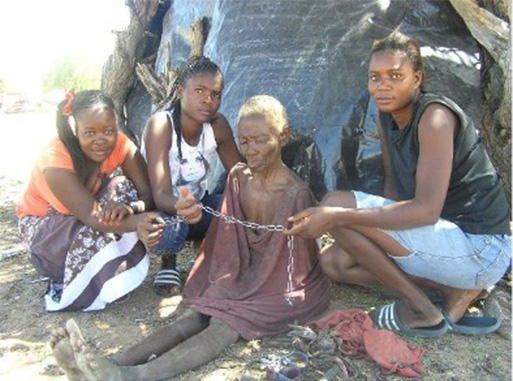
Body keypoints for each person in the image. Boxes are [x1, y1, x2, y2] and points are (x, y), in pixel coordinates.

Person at [50, 95, 331, 380]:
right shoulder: (237, 178)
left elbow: (295, 267)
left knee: (223, 323)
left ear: (283, 136)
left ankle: (134, 376)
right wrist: (228, 278)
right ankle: (109, 363)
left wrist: (249, 288)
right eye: (244, 142)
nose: (251, 150)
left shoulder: (296, 194)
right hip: (242, 272)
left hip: (276, 286)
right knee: (195, 315)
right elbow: (229, 241)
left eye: (260, 140)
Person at [286, 30, 511, 337]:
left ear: (417, 79)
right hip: (445, 239)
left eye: (395, 76)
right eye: (375, 77)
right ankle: (452, 290)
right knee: (335, 264)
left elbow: (426, 211)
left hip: (481, 249)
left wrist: (339, 217)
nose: (383, 86)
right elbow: (393, 187)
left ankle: (421, 308)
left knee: (335, 206)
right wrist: (372, 234)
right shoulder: (387, 115)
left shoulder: (435, 118)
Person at [16, 90, 164, 312]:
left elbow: (147, 192)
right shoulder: (55, 158)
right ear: (76, 131)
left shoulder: (120, 145)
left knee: (122, 186)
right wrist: (137, 222)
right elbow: (93, 217)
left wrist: (130, 208)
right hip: (45, 234)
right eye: (90, 133)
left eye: (109, 130)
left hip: (85, 216)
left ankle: (110, 273)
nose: (101, 140)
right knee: (93, 228)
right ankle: (72, 278)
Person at [142, 55, 243, 296]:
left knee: (233, 208)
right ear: (179, 91)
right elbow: (159, 193)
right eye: (199, 90)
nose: (208, 100)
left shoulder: (217, 126)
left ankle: (207, 257)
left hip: (198, 207)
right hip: (165, 208)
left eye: (216, 94)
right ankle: (168, 262)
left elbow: (239, 173)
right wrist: (182, 206)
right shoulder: (161, 126)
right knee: (167, 230)